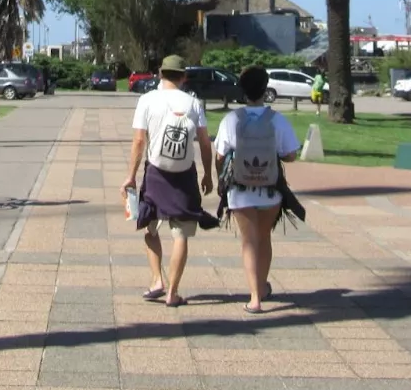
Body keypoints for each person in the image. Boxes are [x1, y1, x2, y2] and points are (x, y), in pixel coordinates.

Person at [121, 54, 217, 307]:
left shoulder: (147, 100)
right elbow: (204, 143)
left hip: (156, 172)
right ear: (184, 76)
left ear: (160, 74)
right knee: (181, 234)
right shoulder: (194, 103)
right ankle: (173, 292)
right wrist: (208, 174)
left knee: (150, 228)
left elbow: (139, 141)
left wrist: (131, 176)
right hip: (185, 175)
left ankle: (157, 280)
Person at [215, 65, 302, 313]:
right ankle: (262, 287)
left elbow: (220, 155)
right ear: (265, 89)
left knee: (248, 241)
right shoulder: (277, 120)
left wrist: (218, 178)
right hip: (270, 189)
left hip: (240, 189)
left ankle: (254, 298)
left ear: (243, 90)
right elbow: (291, 155)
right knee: (264, 239)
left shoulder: (231, 119)